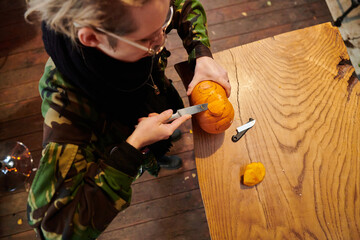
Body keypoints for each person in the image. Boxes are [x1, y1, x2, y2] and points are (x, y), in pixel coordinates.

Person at [25, 0, 231, 239]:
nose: (163, 39)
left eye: (165, 21)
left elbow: (183, 4)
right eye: (147, 40)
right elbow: (54, 229)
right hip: (121, 142)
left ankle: (159, 151)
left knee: (166, 134)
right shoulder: (67, 107)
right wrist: (132, 150)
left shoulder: (140, 16)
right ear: (91, 38)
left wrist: (201, 53)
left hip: (154, 96)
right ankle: (152, 156)